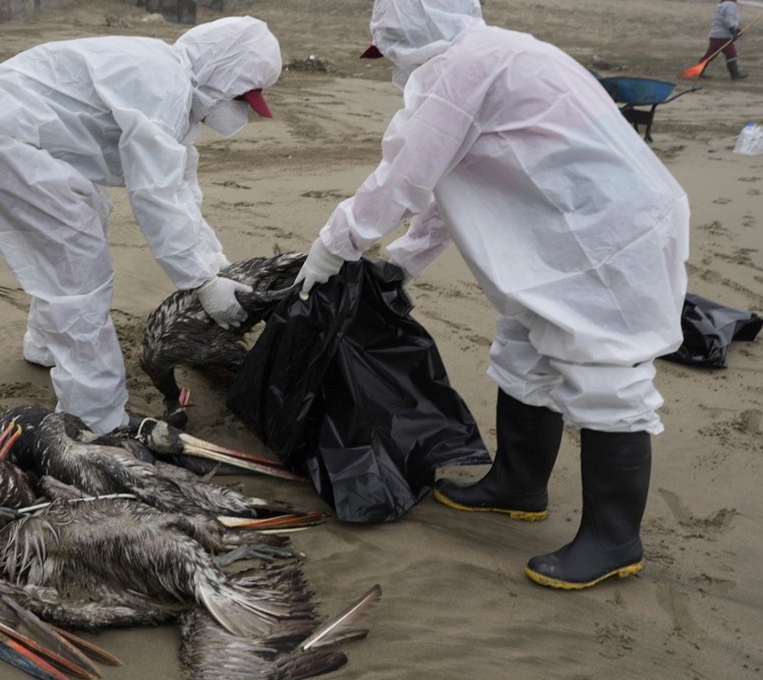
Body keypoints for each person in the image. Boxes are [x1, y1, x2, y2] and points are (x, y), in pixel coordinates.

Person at [295, 0, 689, 590]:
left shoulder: (462, 71)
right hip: (561, 228)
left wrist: (334, 245)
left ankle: (614, 540)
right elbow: (455, 182)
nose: (392, 63)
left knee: (605, 373)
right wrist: (404, 262)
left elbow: (404, 178)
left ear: (411, 31)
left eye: (391, 48)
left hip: (606, 234)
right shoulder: (493, 54)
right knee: (525, 350)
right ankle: (517, 485)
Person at [0, 17, 282, 435]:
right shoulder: (165, 88)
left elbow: (181, 188)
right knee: (78, 268)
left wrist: (217, 268)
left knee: (81, 224)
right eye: (240, 97)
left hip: (6, 126)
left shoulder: (170, 81)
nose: (240, 111)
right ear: (223, 73)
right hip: (7, 137)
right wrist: (202, 281)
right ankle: (93, 414)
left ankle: (45, 344)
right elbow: (157, 198)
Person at [698, 0, 747, 80]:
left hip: (716, 34)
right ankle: (735, 74)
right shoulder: (731, 5)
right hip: (723, 36)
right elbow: (728, 21)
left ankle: (699, 71)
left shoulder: (721, 5)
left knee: (710, 55)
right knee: (731, 53)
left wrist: (736, 30)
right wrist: (733, 32)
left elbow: (722, 20)